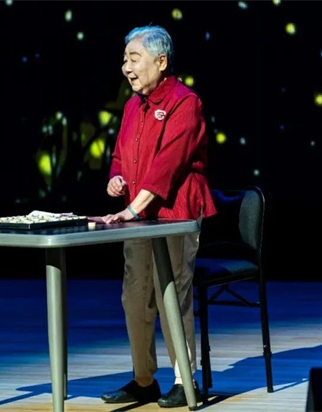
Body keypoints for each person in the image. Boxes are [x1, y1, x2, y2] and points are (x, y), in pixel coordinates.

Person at [99, 25, 217, 408]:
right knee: (134, 296)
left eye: (134, 59)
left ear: (161, 61)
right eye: (125, 60)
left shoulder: (186, 102)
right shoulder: (133, 106)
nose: (126, 68)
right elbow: (120, 155)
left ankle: (185, 380)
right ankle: (143, 379)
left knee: (172, 294)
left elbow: (168, 165)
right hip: (137, 216)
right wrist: (117, 177)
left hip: (174, 214)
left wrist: (132, 208)